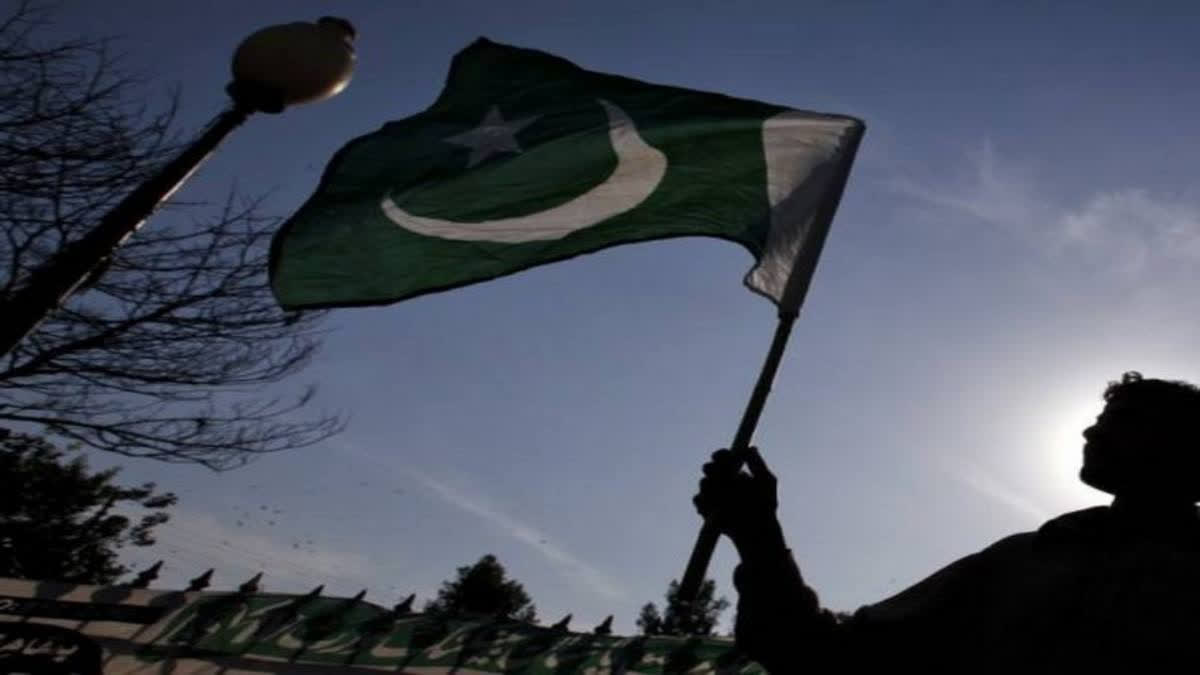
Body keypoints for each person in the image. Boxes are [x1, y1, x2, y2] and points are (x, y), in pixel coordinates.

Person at [693, 372, 1200, 672]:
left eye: (1127, 420)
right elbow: (824, 657)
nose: (1091, 430)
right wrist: (759, 537)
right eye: (1102, 417)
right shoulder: (1021, 561)